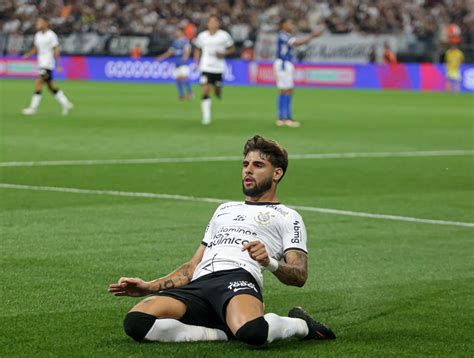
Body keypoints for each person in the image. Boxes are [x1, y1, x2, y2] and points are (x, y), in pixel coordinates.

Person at [108, 135, 336, 346]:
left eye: (258, 165)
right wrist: (149, 286)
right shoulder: (224, 209)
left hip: (237, 279)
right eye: (245, 164)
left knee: (254, 333)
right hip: (200, 283)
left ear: (277, 173)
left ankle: (301, 325)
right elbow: (191, 267)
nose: (248, 171)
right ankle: (224, 333)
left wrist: (269, 262)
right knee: (136, 322)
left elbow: (300, 275)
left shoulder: (288, 216)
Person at [274, 19, 324, 127]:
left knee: (287, 90)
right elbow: (297, 43)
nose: (292, 25)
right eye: (290, 23)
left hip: (286, 63)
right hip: (283, 64)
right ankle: (284, 118)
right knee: (285, 90)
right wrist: (312, 36)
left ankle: (284, 117)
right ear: (283, 24)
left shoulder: (286, 35)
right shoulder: (283, 35)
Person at [21, 17, 73, 116]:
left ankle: (33, 108)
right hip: (41, 63)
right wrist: (28, 54)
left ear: (45, 23)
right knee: (51, 87)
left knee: (39, 83)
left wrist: (59, 65)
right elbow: (35, 48)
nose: (37, 24)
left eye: (40, 22)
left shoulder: (51, 35)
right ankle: (66, 104)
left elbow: (56, 50)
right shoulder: (38, 35)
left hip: (48, 64)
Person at [193, 15, 235, 125]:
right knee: (206, 90)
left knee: (217, 90)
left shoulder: (224, 36)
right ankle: (206, 117)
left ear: (218, 24)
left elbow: (232, 49)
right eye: (211, 22)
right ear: (208, 24)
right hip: (205, 67)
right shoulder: (202, 36)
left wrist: (223, 53)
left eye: (215, 22)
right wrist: (196, 62)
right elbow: (197, 49)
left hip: (218, 68)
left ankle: (218, 91)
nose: (213, 24)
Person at [156, 28, 193, 100]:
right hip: (176, 61)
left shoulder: (185, 41)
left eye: (177, 31)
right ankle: (181, 94)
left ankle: (190, 93)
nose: (176, 33)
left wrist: (186, 56)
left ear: (182, 32)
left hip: (182, 61)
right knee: (178, 78)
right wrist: (161, 57)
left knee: (184, 77)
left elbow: (188, 49)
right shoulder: (175, 42)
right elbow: (170, 52)